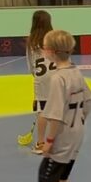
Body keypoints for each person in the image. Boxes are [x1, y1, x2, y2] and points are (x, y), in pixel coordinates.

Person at [26, 30, 91, 182]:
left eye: (45, 47)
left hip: (63, 134)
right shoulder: (75, 72)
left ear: (52, 52)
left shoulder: (58, 79)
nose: (43, 50)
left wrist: (48, 141)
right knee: (61, 176)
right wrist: (79, 120)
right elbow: (89, 100)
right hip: (77, 130)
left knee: (47, 177)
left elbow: (55, 116)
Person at [26, 10, 55, 154]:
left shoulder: (31, 41)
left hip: (42, 79)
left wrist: (36, 75)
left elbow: (30, 65)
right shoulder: (55, 38)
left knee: (42, 110)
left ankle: (41, 144)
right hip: (57, 76)